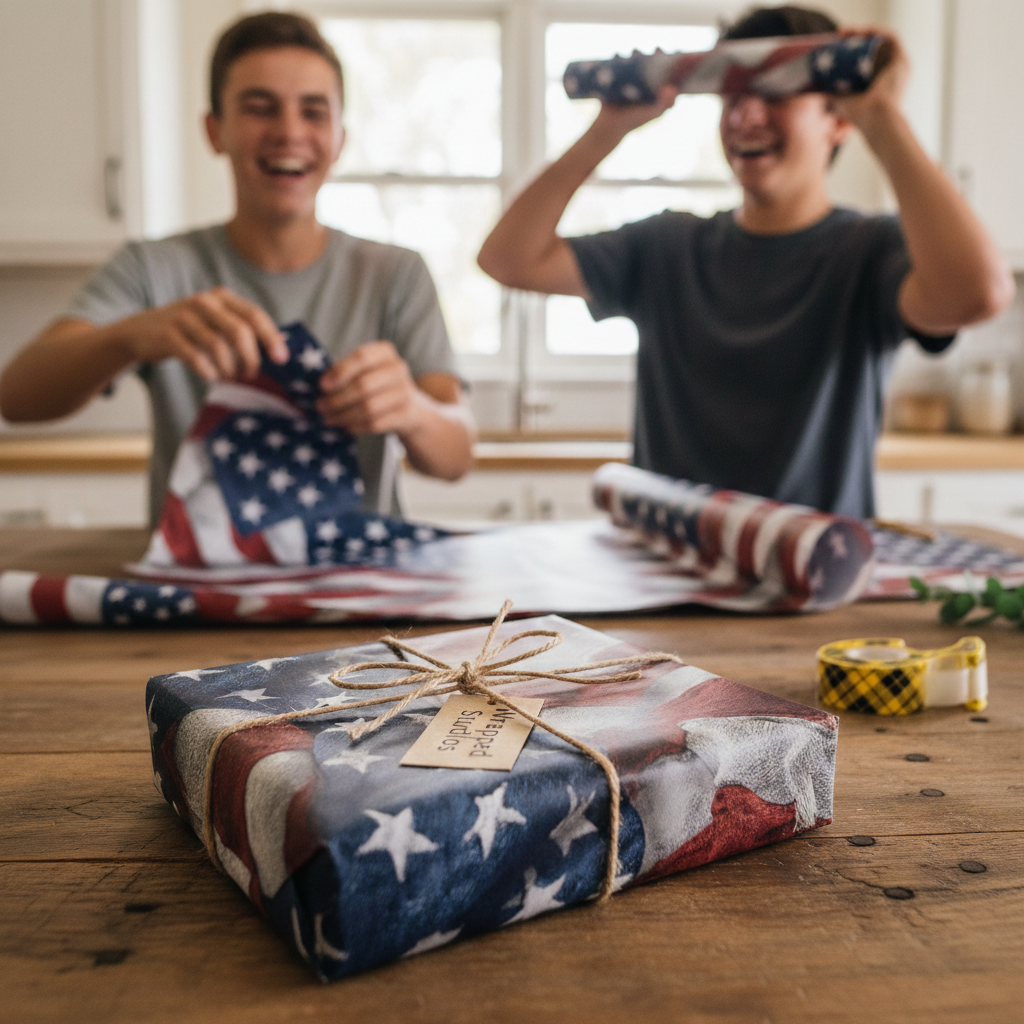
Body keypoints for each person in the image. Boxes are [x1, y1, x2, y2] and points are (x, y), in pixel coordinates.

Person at [477, 5, 1014, 518]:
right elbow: (508, 259)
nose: (745, 115)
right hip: (662, 572)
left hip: (813, 583)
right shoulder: (667, 246)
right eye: (731, 96)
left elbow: (979, 293)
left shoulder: (871, 251)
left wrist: (881, 115)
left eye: (777, 92)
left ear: (838, 120)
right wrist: (608, 129)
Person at [0, 11, 474, 523]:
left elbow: (456, 454)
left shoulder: (395, 275)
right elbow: (18, 398)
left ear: (339, 138)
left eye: (313, 112)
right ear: (214, 130)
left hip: (359, 587)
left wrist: (410, 408)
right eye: (259, 108)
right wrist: (131, 336)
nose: (289, 132)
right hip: (195, 592)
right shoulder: (153, 268)